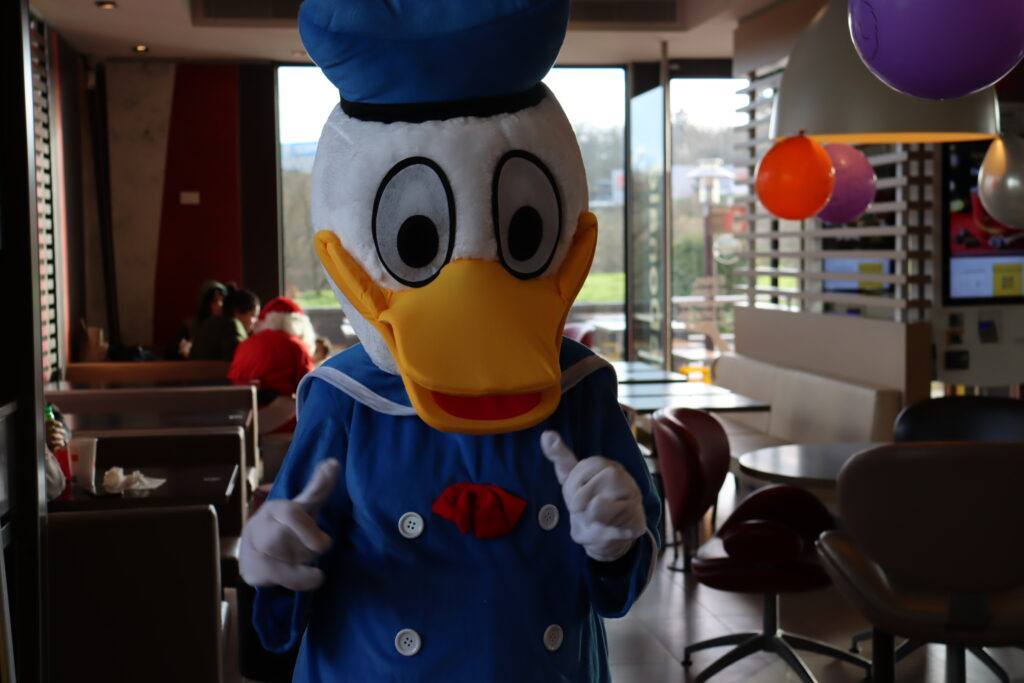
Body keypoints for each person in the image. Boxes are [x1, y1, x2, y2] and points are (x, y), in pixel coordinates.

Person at [228, 297, 316, 433]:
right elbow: (309, 388)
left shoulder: (246, 344)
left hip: (239, 413)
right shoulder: (296, 346)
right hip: (276, 416)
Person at [191, 287, 260, 361]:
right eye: (254, 316)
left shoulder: (207, 323)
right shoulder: (233, 327)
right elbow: (240, 362)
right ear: (237, 313)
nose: (257, 321)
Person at [168, 280, 228, 359]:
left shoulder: (229, 326)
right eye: (214, 301)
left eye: (222, 300)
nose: (220, 304)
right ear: (205, 303)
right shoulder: (189, 326)